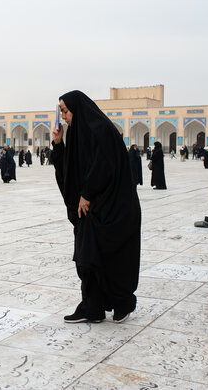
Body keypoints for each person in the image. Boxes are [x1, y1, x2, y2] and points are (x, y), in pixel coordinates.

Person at [52, 90, 141, 324]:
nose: (63, 117)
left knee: (114, 258)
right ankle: (93, 307)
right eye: (61, 111)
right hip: (89, 211)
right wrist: (59, 144)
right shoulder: (77, 134)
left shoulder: (102, 130)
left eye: (65, 111)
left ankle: (121, 303)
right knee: (87, 257)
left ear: (77, 108)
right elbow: (70, 173)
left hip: (114, 208)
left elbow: (105, 165)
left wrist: (87, 193)